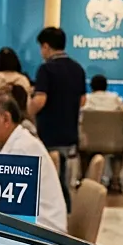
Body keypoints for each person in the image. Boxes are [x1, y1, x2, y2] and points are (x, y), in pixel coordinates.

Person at [0, 91, 67, 232]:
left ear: (6, 119)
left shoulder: (22, 149)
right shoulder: (5, 145)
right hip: (29, 225)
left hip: (44, 232)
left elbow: (4, 207)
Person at [29, 26, 86, 212]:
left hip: (50, 135)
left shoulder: (46, 69)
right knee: (65, 183)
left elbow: (40, 100)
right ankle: (66, 214)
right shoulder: (77, 68)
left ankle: (57, 218)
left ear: (46, 46)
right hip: (70, 135)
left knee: (52, 186)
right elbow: (83, 100)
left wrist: (26, 111)